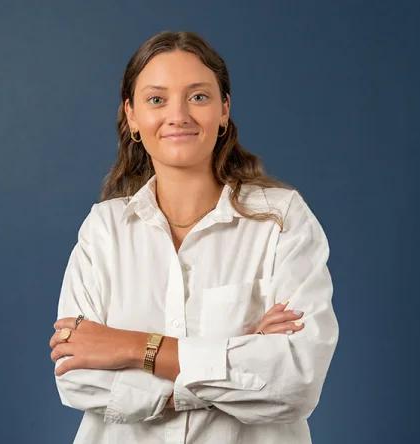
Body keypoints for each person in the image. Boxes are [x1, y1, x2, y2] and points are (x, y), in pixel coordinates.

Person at [48, 30, 339, 444]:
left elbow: (296, 380)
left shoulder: (281, 219)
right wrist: (237, 355)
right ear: (131, 115)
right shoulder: (104, 230)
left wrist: (133, 348)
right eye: (156, 99)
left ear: (224, 110)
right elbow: (76, 378)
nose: (178, 115)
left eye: (198, 97)